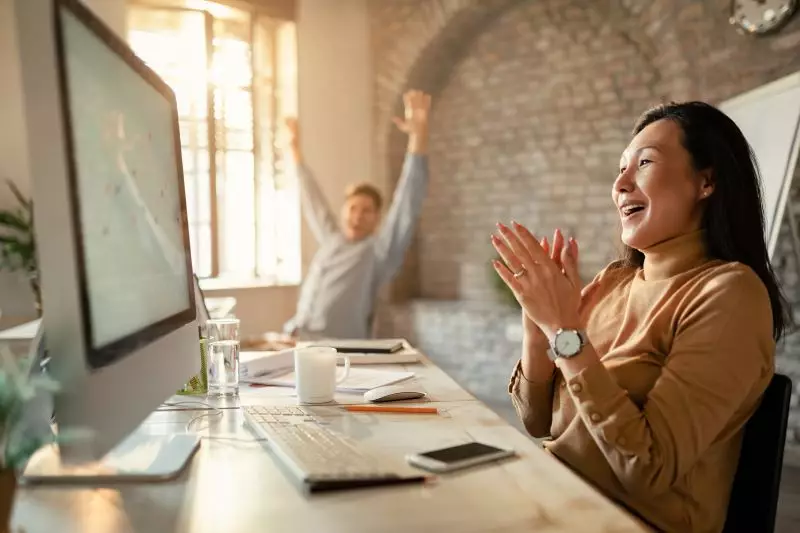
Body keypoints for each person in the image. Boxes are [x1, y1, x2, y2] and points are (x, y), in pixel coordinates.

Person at [491, 101, 788, 533]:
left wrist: (564, 329)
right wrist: (538, 325)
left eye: (644, 163)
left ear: (706, 181)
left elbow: (647, 468)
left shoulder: (730, 294)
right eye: (619, 168)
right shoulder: (615, 281)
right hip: (550, 498)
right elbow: (536, 419)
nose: (620, 184)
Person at [278, 90, 431, 341]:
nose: (358, 216)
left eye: (367, 211)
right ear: (343, 211)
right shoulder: (331, 239)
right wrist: (294, 149)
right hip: (297, 337)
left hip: (341, 352)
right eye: (353, 208)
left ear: (377, 220)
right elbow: (311, 198)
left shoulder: (378, 252)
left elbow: (408, 202)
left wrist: (419, 135)